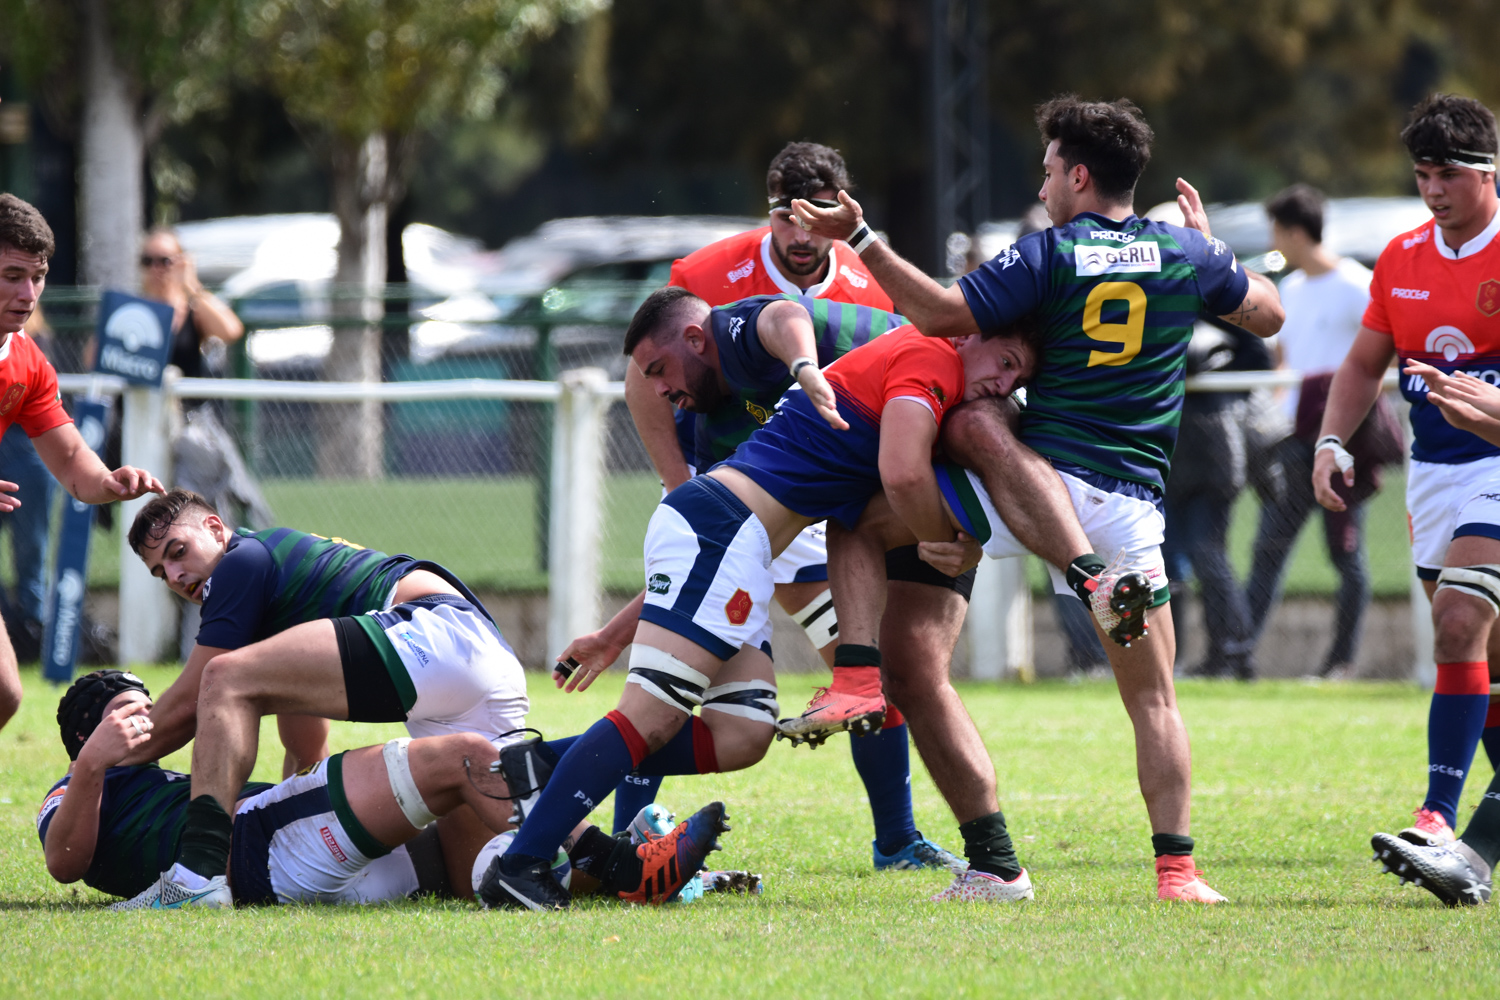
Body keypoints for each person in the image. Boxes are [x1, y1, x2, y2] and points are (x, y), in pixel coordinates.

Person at [790, 95, 1283, 902]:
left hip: (1029, 489)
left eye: (1051, 167)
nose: (1044, 181)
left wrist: (864, 240)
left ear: (1079, 174)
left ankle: (976, 838)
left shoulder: (1051, 252)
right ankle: (1178, 873)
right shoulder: (1183, 253)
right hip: (1125, 507)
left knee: (868, 507)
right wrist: (1214, 252)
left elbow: (942, 312)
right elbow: (1268, 312)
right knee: (1154, 698)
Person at [483, 312, 1035, 910]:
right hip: (720, 529)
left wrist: (614, 634)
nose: (1002, 385)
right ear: (967, 335)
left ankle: (537, 765)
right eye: (1004, 364)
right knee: (649, 717)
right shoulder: (921, 357)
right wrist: (943, 538)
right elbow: (784, 320)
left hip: (735, 545)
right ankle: (522, 865)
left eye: (1018, 376)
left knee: (742, 734)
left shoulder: (906, 366)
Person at [604, 141, 969, 871]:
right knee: (681, 684)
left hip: (817, 510)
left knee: (869, 670)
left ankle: (895, 837)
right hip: (735, 493)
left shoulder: (875, 276)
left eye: (819, 217)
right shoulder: (710, 275)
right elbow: (646, 379)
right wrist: (682, 487)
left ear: (845, 209)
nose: (802, 236)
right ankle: (629, 831)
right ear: (767, 211)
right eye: (785, 216)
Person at [109, 490, 530, 908]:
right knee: (485, 870)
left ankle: (196, 875)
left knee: (223, 677)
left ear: (216, 528)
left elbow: (191, 700)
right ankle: (596, 860)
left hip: (432, 630)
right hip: (479, 658)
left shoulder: (240, 561)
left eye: (178, 552)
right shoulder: (275, 593)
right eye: (160, 572)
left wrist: (104, 758)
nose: (176, 576)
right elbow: (306, 747)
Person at [41, 670, 725, 908]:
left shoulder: (182, 769)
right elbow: (66, 864)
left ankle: (647, 878)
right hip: (262, 853)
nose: (148, 719)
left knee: (482, 844)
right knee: (465, 756)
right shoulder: (70, 789)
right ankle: (625, 859)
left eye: (147, 704)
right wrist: (93, 768)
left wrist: (267, 676)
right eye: (124, 712)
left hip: (321, 864)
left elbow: (303, 757)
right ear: (83, 737)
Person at [1312, 94, 1500, 852]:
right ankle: (1478, 843)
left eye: (1447, 174)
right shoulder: (1401, 258)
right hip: (1436, 471)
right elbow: (1364, 363)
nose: (1432, 190)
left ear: (1487, 173)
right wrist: (1331, 441)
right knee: (1479, 653)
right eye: (1423, 175)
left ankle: (1436, 817)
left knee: (1458, 625)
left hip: (1497, 461)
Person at [0, 193, 167, 731]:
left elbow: (71, 457)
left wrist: (109, 481)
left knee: (3, 693)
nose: (28, 294)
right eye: (11, 276)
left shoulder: (26, 360)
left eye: (38, 276)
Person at [1246, 185, 1398, 679]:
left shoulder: (1358, 284)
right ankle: (1238, 654)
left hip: (1344, 446)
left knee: (1345, 553)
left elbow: (1385, 357)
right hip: (1295, 444)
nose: (1276, 242)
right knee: (1268, 547)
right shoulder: (1288, 289)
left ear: (1292, 232)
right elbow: (1284, 361)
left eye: (1276, 232)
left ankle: (1341, 662)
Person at [1163, 318, 1273, 680]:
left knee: (1208, 556)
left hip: (1212, 464)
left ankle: (1236, 656)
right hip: (1170, 465)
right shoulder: (1157, 329)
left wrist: (1209, 306)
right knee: (1169, 565)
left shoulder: (1219, 345)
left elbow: (1259, 353)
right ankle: (1179, 659)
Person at [139, 227, 244, 378]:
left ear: (182, 262)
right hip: (137, 400)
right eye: (148, 261)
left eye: (165, 261)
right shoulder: (132, 308)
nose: (156, 269)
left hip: (183, 399)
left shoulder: (192, 309)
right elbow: (94, 358)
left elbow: (231, 331)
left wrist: (192, 286)